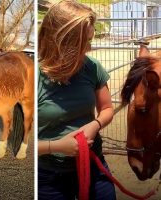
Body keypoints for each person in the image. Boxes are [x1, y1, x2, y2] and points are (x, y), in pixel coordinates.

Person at [38, 1, 116, 199]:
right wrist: (55, 147)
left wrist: (95, 125)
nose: (89, 48)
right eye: (84, 42)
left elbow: (107, 108)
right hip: (49, 176)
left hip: (93, 163)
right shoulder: (34, 77)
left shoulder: (92, 67)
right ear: (62, 41)